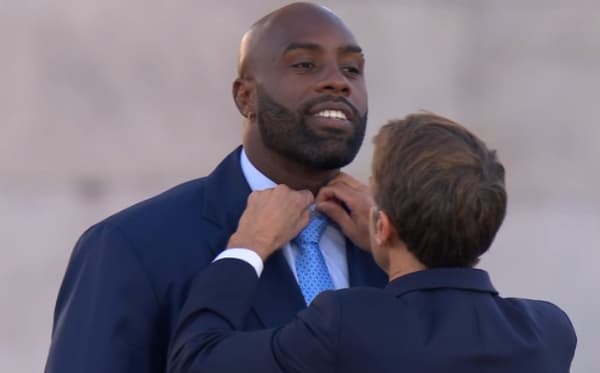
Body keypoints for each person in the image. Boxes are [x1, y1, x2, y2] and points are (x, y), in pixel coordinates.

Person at [44, 3, 387, 373]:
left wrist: (402, 247)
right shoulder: (132, 245)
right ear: (245, 97)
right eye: (304, 64)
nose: (338, 81)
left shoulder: (396, 247)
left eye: (352, 69)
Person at [167, 112, 577, 373]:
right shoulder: (548, 332)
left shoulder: (347, 323)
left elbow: (196, 360)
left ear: (381, 225)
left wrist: (249, 245)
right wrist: (396, 246)